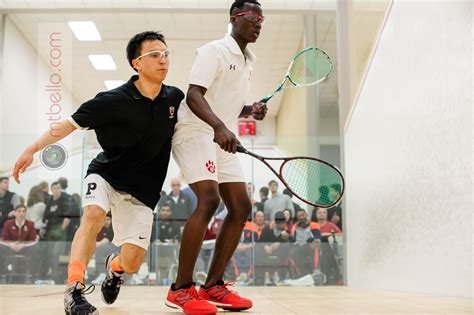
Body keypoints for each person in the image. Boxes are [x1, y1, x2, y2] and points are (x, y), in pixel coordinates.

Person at [13, 31, 184, 315]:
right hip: (106, 174)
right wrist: (32, 149)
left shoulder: (175, 98)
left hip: (143, 190)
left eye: (166, 54)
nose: (163, 60)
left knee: (132, 263)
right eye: (154, 54)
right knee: (92, 215)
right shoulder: (111, 100)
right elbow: (68, 124)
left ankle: (114, 269)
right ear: (136, 63)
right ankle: (74, 290)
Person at [168, 1, 266, 313]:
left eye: (262, 19)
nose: (259, 23)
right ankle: (181, 289)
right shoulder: (214, 51)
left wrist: (249, 110)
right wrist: (221, 127)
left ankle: (213, 286)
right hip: (195, 131)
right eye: (253, 17)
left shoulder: (248, 59)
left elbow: (224, 102)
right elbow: (195, 95)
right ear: (234, 18)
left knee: (241, 206)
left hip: (218, 134)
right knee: (209, 200)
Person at [0, 205, 39, 283]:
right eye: (19, 211)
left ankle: (32, 276)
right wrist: (12, 245)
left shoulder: (30, 224)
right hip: (10, 248)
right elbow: (4, 239)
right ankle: (3, 275)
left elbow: (33, 239)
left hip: (25, 249)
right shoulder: (8, 223)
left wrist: (23, 245)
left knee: (36, 249)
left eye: (23, 211)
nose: (21, 213)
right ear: (15, 213)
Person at [289, 209, 321, 277]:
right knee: (292, 251)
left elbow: (317, 239)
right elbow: (292, 240)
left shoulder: (314, 225)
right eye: (299, 216)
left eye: (302, 215)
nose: (301, 217)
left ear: (306, 215)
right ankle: (302, 274)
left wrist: (312, 241)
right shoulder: (294, 227)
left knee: (294, 252)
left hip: (310, 247)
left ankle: (309, 273)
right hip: (298, 248)